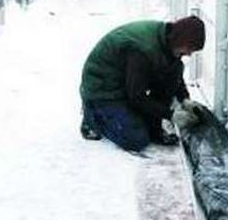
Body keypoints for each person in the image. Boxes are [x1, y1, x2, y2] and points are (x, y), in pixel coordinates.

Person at [79, 15, 206, 152]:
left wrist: (184, 99)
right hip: (103, 90)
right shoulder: (142, 50)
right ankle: (93, 118)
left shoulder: (167, 40)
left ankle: (148, 125)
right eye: (189, 48)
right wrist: (170, 114)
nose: (189, 54)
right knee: (136, 138)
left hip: (127, 83)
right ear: (181, 39)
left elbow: (173, 72)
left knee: (173, 70)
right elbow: (136, 96)